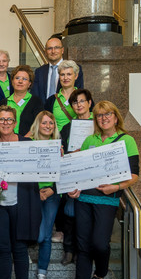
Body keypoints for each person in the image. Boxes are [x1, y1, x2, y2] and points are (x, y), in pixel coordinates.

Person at [62, 101, 139, 279]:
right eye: (99, 116)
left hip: (107, 200)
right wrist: (73, 188)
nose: (103, 118)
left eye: (107, 115)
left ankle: (101, 272)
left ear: (115, 117)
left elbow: (134, 175)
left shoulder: (126, 140)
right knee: (83, 247)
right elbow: (78, 170)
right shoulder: (90, 140)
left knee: (100, 244)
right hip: (84, 200)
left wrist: (116, 187)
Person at [0, 106, 42, 279]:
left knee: (19, 249)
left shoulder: (28, 144)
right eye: (1, 120)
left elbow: (42, 167)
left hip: (22, 203)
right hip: (0, 205)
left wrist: (55, 156)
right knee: (2, 249)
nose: (5, 123)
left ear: (15, 122)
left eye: (9, 120)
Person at [58, 89, 94, 266]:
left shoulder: (98, 123)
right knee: (69, 212)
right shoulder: (67, 128)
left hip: (91, 173)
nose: (79, 105)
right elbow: (62, 149)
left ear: (89, 102)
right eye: (75, 102)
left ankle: (82, 251)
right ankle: (69, 249)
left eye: (82, 101)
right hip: (72, 171)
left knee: (85, 215)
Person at [28, 111, 62, 279]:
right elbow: (23, 171)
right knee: (34, 233)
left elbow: (65, 174)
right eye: (44, 123)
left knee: (45, 236)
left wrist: (52, 190)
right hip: (32, 193)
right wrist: (37, 191)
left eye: (51, 123)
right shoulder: (28, 144)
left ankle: (42, 273)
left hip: (52, 194)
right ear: (37, 125)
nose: (48, 126)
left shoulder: (58, 146)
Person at [32, 36, 84, 103]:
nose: (53, 51)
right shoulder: (39, 72)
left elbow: (78, 93)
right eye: (50, 48)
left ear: (62, 50)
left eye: (56, 48)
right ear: (45, 52)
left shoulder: (74, 68)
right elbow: (35, 96)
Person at [0, 65, 43, 137]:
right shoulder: (3, 103)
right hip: (7, 144)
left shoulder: (36, 102)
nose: (20, 81)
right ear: (12, 81)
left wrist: (22, 141)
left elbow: (38, 125)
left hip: (29, 143)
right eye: (17, 78)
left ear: (29, 83)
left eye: (24, 79)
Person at [43, 60, 81, 132]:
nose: (65, 78)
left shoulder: (83, 97)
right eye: (62, 74)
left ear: (76, 76)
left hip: (79, 138)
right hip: (58, 140)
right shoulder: (51, 100)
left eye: (69, 74)